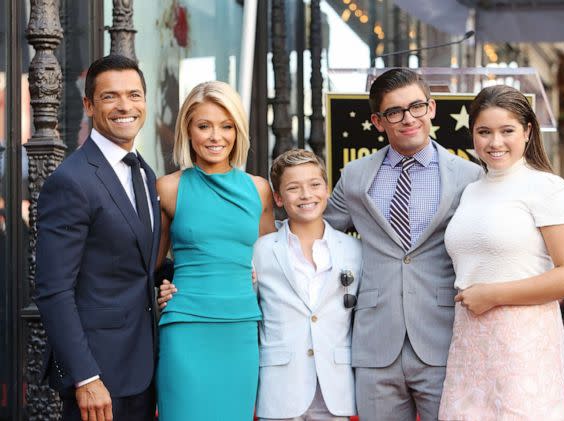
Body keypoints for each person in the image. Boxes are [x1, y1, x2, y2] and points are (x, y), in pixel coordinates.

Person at [324, 68, 482, 421]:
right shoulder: (354, 176)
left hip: (444, 340)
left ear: (432, 108)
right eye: (395, 112)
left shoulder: (470, 176)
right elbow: (318, 235)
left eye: (416, 106)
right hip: (375, 343)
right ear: (379, 122)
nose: (408, 118)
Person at [439, 85, 564, 420]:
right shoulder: (471, 191)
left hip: (523, 343)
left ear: (527, 131)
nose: (495, 143)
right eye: (484, 132)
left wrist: (493, 295)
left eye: (507, 130)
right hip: (469, 342)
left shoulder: (548, 188)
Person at [35, 55, 160, 421]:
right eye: (110, 97)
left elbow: (136, 262)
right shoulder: (71, 180)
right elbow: (53, 289)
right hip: (97, 380)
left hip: (143, 370)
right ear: (89, 105)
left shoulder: (145, 172)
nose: (125, 106)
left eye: (134, 95)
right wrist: (86, 376)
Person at [154, 80, 274, 420]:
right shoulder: (168, 188)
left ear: (238, 130)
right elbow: (150, 263)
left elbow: (271, 263)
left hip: (240, 330)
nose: (215, 137)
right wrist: (162, 287)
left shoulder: (259, 190)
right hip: (186, 327)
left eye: (226, 126)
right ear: (188, 130)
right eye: (204, 126)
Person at [254, 149, 362, 421]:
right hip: (280, 389)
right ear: (278, 198)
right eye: (293, 188)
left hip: (335, 389)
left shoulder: (354, 250)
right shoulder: (260, 251)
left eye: (315, 185)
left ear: (327, 190)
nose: (306, 195)